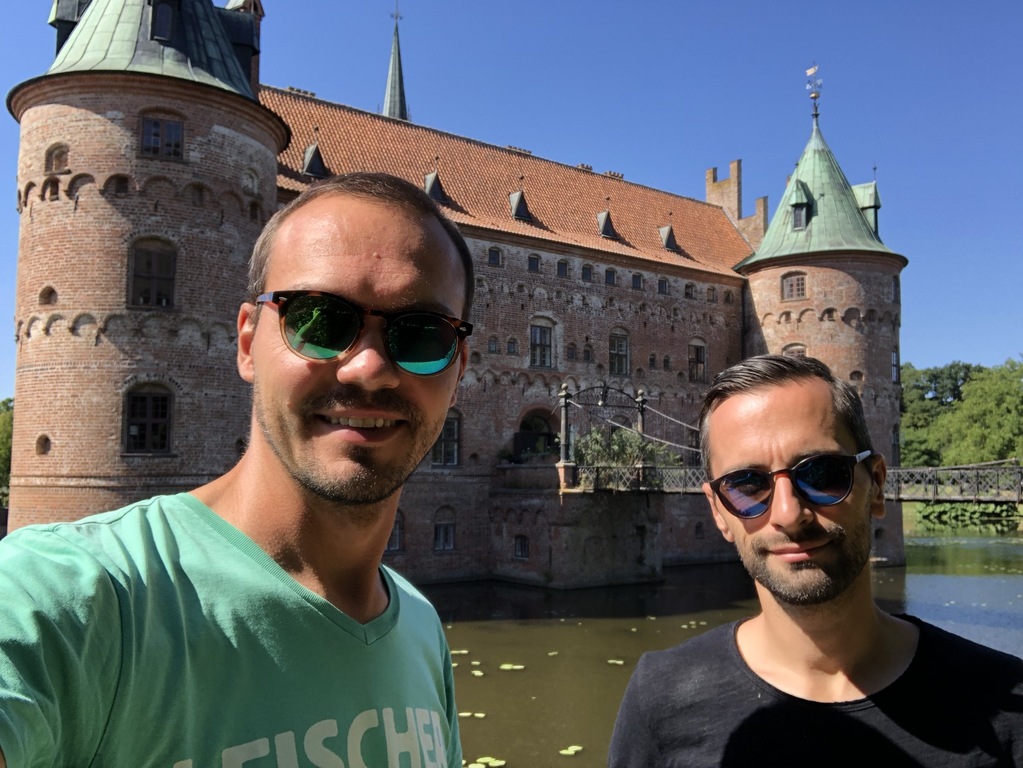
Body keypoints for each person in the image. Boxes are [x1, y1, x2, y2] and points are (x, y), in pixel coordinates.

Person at [0, 172, 473, 768]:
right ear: (247, 343)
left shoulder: (421, 628)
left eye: (423, 336)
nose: (369, 369)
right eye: (320, 321)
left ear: (459, 369)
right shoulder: (76, 595)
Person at [609, 354, 1023, 767]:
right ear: (718, 512)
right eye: (746, 485)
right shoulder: (659, 698)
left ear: (877, 486)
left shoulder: (1009, 705)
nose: (789, 514)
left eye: (822, 473)